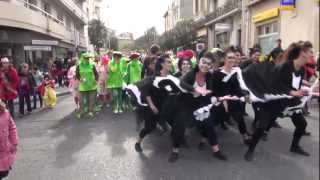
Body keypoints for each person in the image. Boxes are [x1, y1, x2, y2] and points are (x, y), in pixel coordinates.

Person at [243, 41, 314, 161]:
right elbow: (274, 84)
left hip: (289, 103)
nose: (312, 55)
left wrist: (305, 89)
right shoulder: (285, 66)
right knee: (262, 126)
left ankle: (294, 146)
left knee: (302, 124)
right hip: (274, 101)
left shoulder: (301, 70)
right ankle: (250, 149)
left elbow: (294, 85)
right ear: (303, 53)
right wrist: (291, 92)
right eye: (311, 52)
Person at [76, 52, 99, 118]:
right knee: (81, 100)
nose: (87, 59)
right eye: (86, 58)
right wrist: (80, 79)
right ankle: (82, 111)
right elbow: (77, 75)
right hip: (83, 86)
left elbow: (96, 74)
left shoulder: (92, 65)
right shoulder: (79, 66)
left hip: (92, 85)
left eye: (88, 58)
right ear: (82, 58)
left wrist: (96, 80)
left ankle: (90, 111)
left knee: (91, 99)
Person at [0, 99, 18, 180]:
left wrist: (14, 142)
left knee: (4, 173)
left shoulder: (5, 113)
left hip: (5, 151)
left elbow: (12, 127)